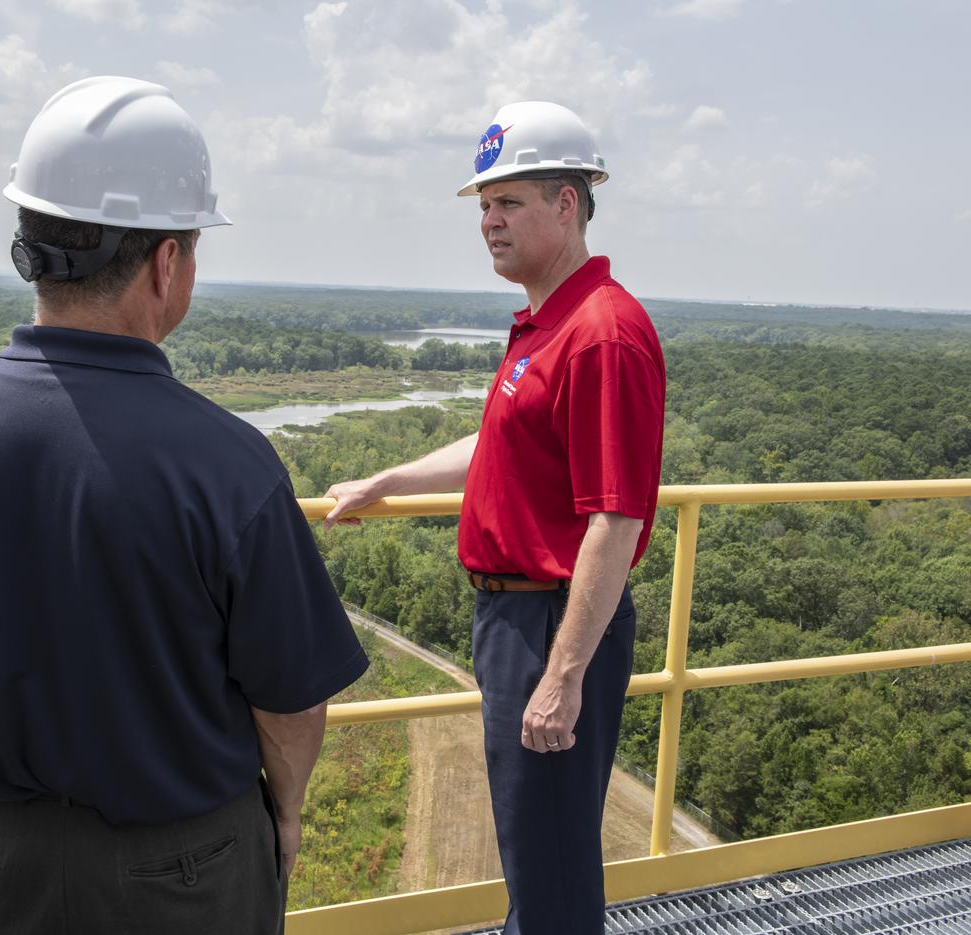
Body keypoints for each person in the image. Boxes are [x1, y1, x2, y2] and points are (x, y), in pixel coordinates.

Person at [0, 76, 368, 935]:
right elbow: (291, 702)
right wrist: (286, 814)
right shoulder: (231, 464)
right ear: (164, 263)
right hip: (187, 870)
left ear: (28, 246)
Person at [323, 101, 665, 933]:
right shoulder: (549, 323)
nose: (489, 221)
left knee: (549, 872)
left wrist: (562, 674)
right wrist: (389, 479)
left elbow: (615, 521)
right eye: (483, 205)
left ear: (567, 203)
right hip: (517, 617)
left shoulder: (601, 335)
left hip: (550, 623)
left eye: (508, 202)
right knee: (533, 848)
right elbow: (498, 449)